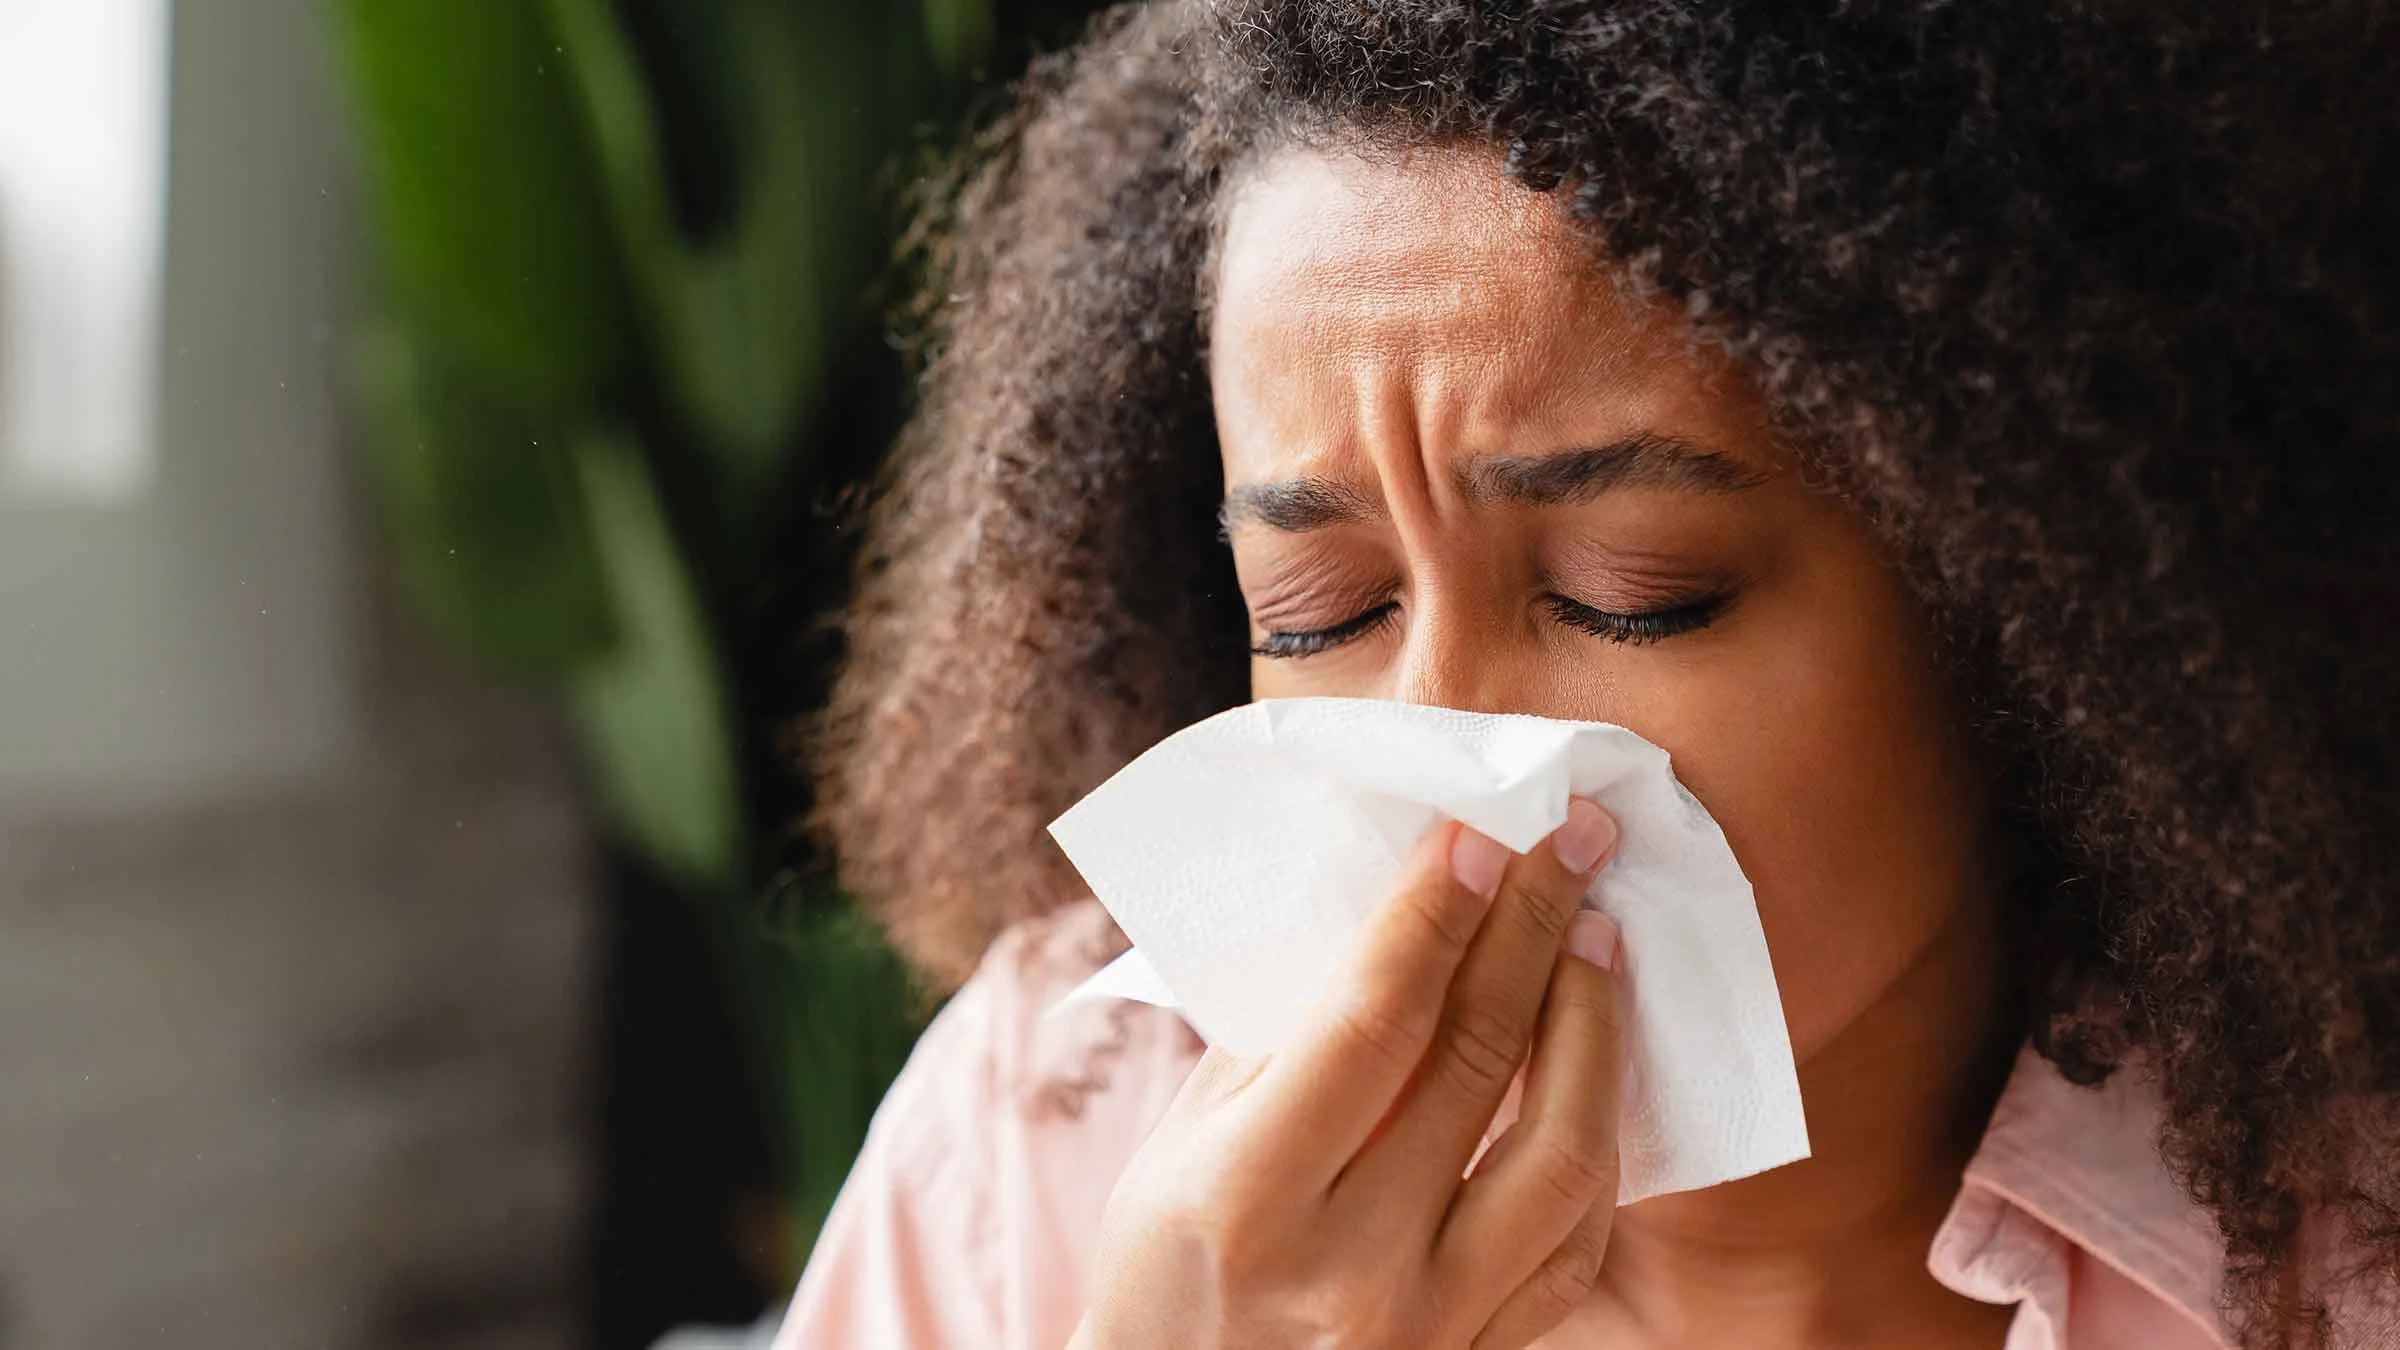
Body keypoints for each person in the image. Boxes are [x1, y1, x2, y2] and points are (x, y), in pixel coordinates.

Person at [777, 2, 2400, 1346]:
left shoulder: (2344, 1246)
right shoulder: (1056, 1123)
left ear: (2025, 599)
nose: (1441, 742)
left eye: (1640, 597)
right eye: (1318, 608)